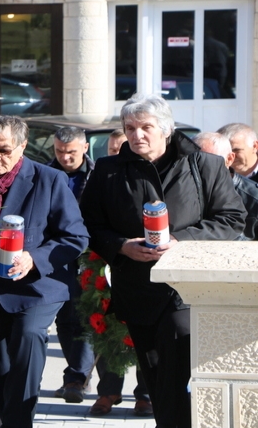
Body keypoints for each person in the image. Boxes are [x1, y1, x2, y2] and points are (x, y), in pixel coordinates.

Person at [80, 93, 246, 428]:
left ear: (166, 129)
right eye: (130, 127)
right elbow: (90, 225)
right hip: (138, 286)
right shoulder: (109, 170)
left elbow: (231, 218)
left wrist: (179, 242)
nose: (137, 134)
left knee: (176, 356)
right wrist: (122, 245)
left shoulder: (204, 165)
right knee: (155, 372)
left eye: (146, 127)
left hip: (190, 289)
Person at [0, 116, 89, 427]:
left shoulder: (49, 179)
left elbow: (75, 237)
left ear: (23, 146)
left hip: (37, 286)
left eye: (4, 150)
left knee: (28, 338)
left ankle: (18, 422)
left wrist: (34, 259)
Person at [88, 128, 152, 417]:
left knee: (141, 330)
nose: (117, 154)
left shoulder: (141, 176)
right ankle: (109, 390)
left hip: (142, 261)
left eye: (121, 149)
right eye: (113, 150)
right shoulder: (102, 173)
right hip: (104, 258)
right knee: (104, 325)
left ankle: (145, 394)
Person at [47, 126, 95, 403]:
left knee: (84, 319)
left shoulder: (98, 174)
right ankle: (75, 376)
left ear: (85, 148)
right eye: (60, 152)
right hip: (54, 256)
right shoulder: (44, 174)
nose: (65, 157)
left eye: (71, 152)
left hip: (89, 256)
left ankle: (77, 378)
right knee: (65, 321)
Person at [194, 131, 258, 240]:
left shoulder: (253, 198)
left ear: (229, 159)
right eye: (193, 160)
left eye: (209, 161)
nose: (199, 167)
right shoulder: (179, 190)